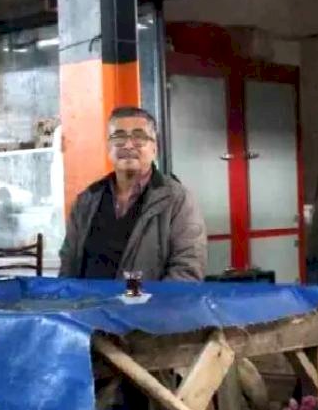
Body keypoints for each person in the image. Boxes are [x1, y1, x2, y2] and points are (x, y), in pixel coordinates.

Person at [59, 106, 207, 281]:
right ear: (108, 147)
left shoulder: (177, 200)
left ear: (154, 148)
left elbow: (187, 270)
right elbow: (68, 266)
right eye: (119, 137)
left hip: (148, 306)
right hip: (90, 306)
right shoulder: (87, 199)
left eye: (139, 137)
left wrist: (145, 306)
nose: (128, 145)